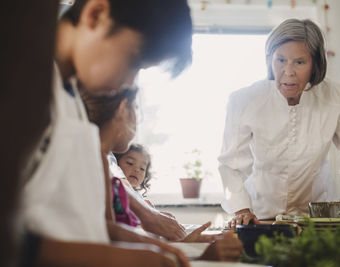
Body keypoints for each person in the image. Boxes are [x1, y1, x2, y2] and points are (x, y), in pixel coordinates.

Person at [20, 0, 194, 266]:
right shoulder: (22, 81)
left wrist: (156, 251)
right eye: (133, 62)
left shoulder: (70, 100)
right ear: (97, 13)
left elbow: (88, 225)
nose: (129, 83)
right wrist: (119, 257)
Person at [218, 19, 340, 229]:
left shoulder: (335, 96)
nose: (288, 71)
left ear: (315, 64)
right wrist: (241, 209)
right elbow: (231, 165)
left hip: (317, 217)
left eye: (299, 62)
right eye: (280, 60)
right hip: (259, 215)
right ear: (269, 59)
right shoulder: (245, 100)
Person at [81, 85, 243, 260]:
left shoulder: (103, 163)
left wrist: (179, 247)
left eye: (142, 167)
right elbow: (109, 239)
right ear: (123, 110)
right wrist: (190, 255)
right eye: (136, 109)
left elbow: (112, 232)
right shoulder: (94, 165)